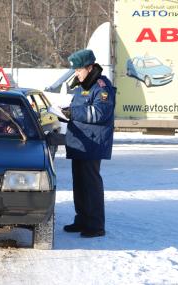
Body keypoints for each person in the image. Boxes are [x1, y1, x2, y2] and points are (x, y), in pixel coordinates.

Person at [61, 49, 116, 238]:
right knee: (80, 184)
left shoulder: (101, 87)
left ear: (90, 67)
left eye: (78, 70)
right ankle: (82, 219)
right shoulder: (83, 85)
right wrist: (64, 113)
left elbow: (100, 113)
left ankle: (95, 225)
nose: (76, 73)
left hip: (93, 143)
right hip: (80, 143)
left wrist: (73, 113)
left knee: (91, 185)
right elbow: (79, 109)